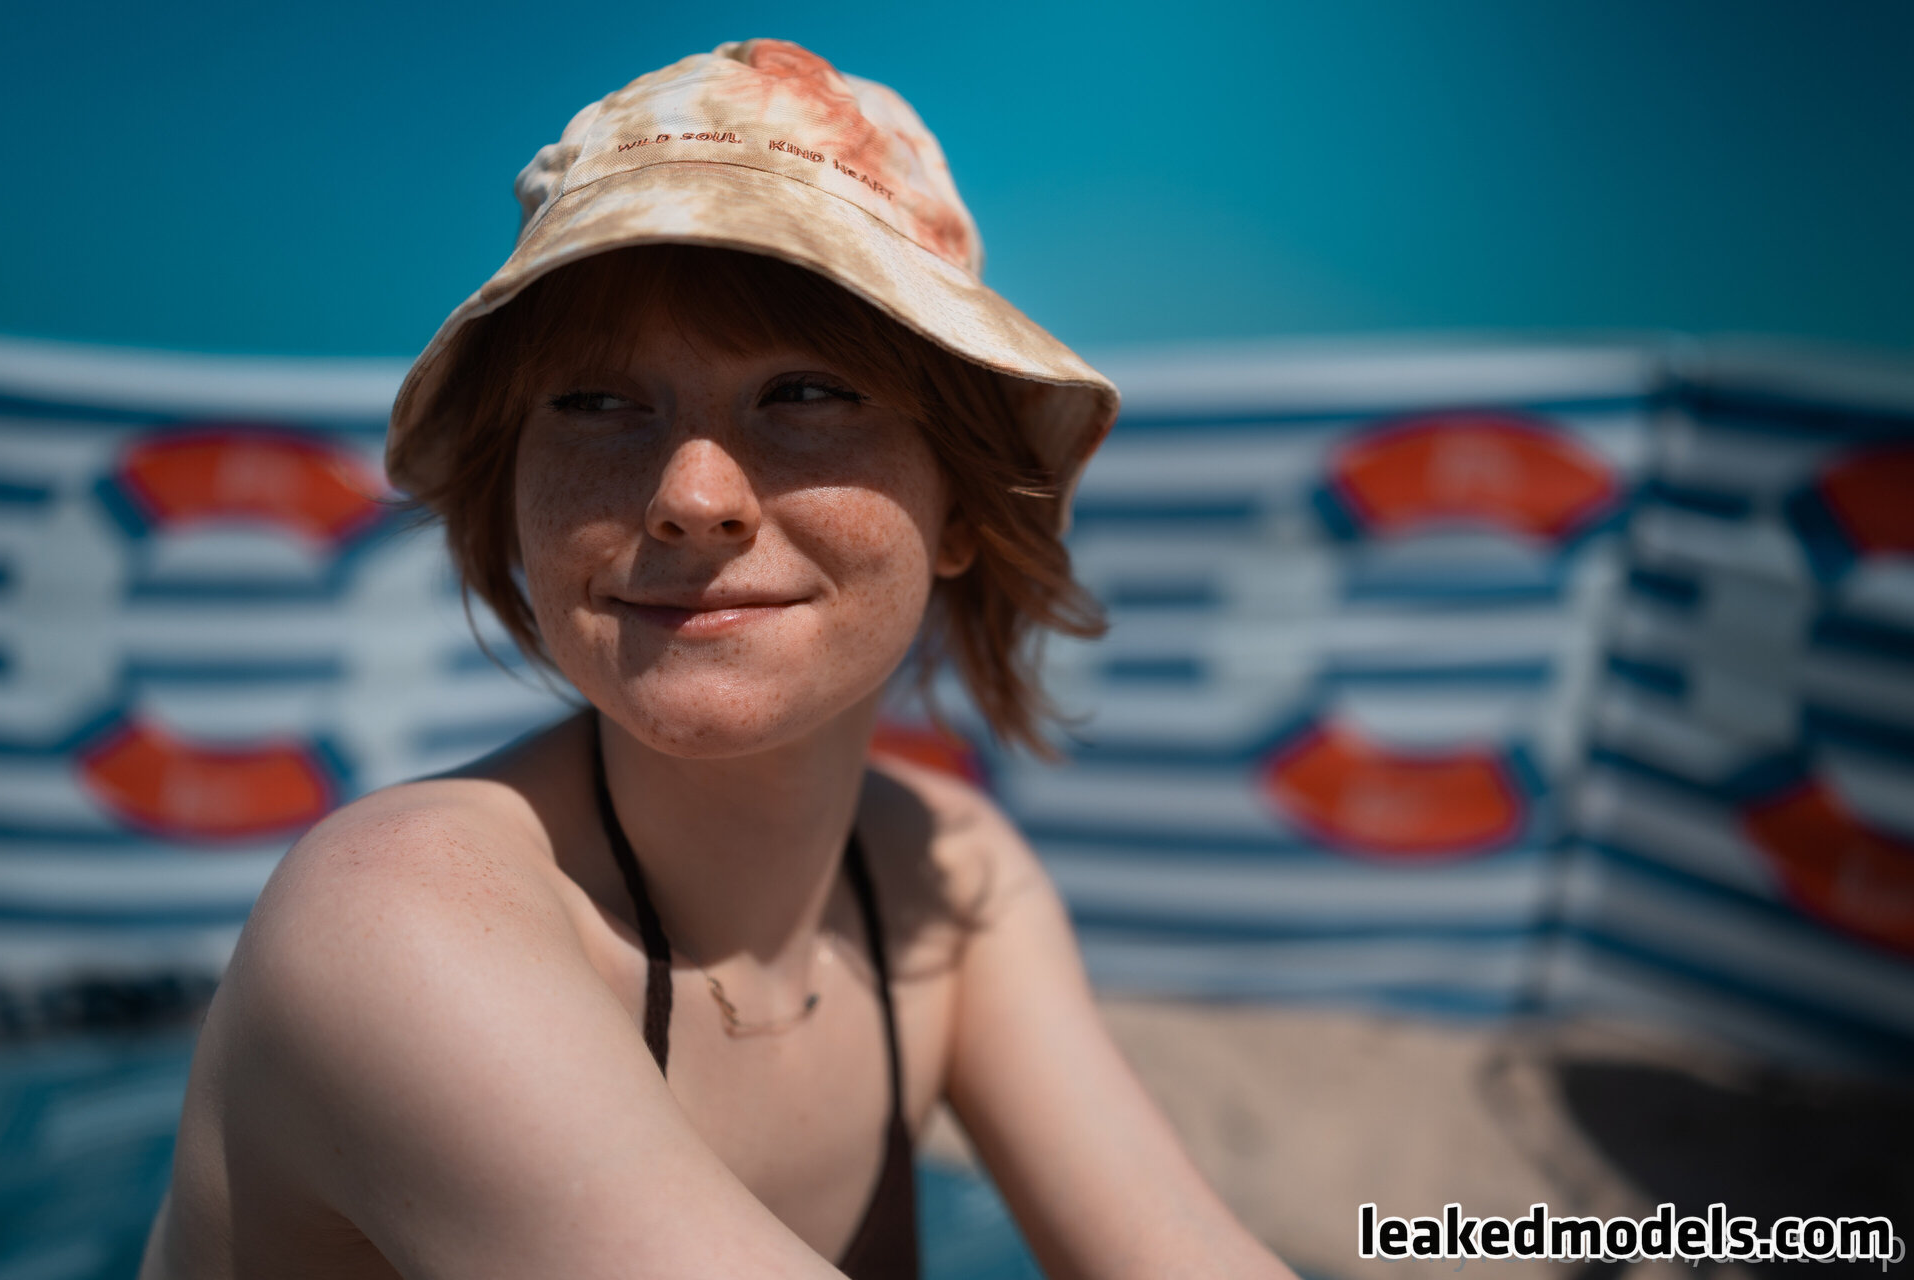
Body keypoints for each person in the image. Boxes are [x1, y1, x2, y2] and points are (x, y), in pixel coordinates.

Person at [141, 38, 1296, 1280]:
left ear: (963, 503)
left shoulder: (949, 878)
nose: (693, 497)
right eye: (595, 402)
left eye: (807, 392)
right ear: (511, 494)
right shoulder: (395, 918)